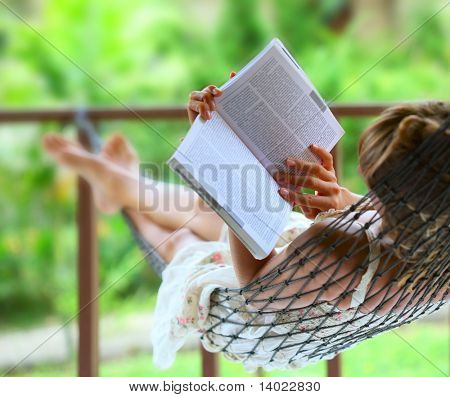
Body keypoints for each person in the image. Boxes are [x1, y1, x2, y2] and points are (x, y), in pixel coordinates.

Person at [42, 91, 449, 370]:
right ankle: (125, 188)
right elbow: (385, 220)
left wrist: (240, 185)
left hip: (249, 313)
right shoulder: (436, 234)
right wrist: (342, 199)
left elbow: (251, 282)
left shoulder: (333, 246)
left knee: (187, 243)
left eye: (372, 184)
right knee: (208, 212)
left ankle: (122, 189)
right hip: (306, 283)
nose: (364, 186)